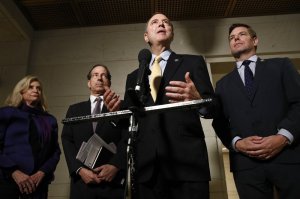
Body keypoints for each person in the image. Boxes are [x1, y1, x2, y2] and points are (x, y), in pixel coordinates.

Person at [104, 13, 215, 199]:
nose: (161, 24)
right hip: (147, 169)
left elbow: (212, 108)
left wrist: (198, 99)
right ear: (146, 36)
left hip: (186, 164)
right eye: (154, 22)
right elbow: (131, 122)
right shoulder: (133, 76)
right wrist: (117, 112)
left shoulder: (193, 62)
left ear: (171, 33)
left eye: (166, 22)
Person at [212, 23, 300, 199]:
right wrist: (237, 143)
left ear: (255, 40)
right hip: (246, 166)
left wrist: (282, 137)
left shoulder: (281, 66)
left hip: (287, 158)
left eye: (242, 34)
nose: (235, 38)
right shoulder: (222, 84)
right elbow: (219, 121)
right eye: (231, 37)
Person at [61, 64, 126, 199]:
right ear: (89, 83)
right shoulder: (74, 110)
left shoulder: (121, 107)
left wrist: (115, 165)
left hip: (111, 183)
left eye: (104, 75)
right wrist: (79, 169)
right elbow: (67, 140)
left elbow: (127, 138)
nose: (100, 78)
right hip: (82, 183)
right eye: (95, 75)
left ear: (109, 82)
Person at [0, 75, 61, 199]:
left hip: (38, 183)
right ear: (21, 91)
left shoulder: (50, 120)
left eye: (38, 88)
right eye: (30, 87)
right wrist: (14, 172)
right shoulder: (6, 113)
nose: (35, 90)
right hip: (8, 180)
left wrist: (42, 172)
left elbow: (55, 151)